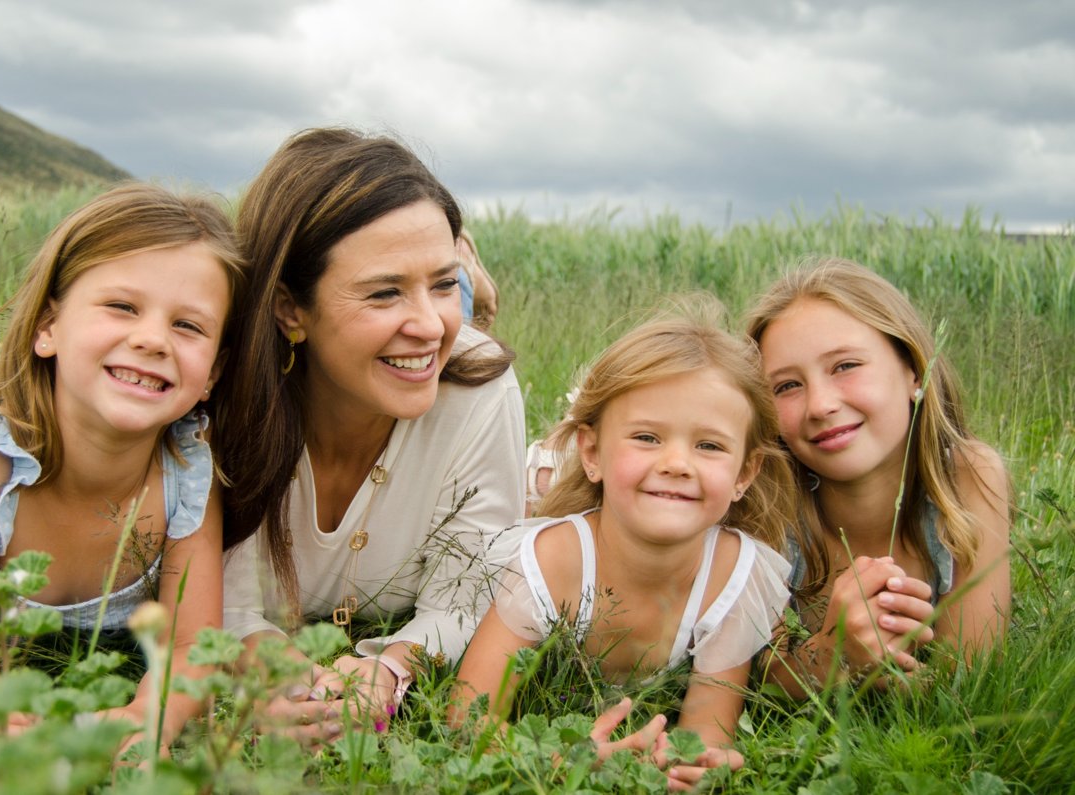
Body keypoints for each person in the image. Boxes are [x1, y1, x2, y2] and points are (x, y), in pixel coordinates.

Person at [217, 128, 526, 743]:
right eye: (385, 291)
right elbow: (206, 595)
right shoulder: (222, 396)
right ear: (289, 310)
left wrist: (390, 667)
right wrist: (268, 664)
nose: (430, 324)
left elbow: (464, 597)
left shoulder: (480, 387)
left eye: (443, 284)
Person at [0, 183, 246, 747]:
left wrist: (152, 716)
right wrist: (7, 719)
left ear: (211, 375)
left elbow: (193, 649)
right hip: (6, 452)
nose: (152, 340)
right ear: (48, 327)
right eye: (122, 307)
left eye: (188, 326)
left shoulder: (187, 471)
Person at [451, 304, 796, 791]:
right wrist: (556, 759)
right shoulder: (554, 561)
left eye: (710, 446)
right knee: (531, 489)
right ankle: (543, 471)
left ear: (744, 473)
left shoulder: (736, 576)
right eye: (647, 437)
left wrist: (684, 768)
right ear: (591, 453)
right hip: (545, 505)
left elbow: (705, 727)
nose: (677, 463)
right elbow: (468, 716)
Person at [745, 258, 1012, 697]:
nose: (820, 405)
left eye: (845, 366)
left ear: (913, 371)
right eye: (786, 386)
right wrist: (835, 652)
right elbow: (756, 677)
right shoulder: (767, 498)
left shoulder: (968, 477)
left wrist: (857, 677)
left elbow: (971, 672)